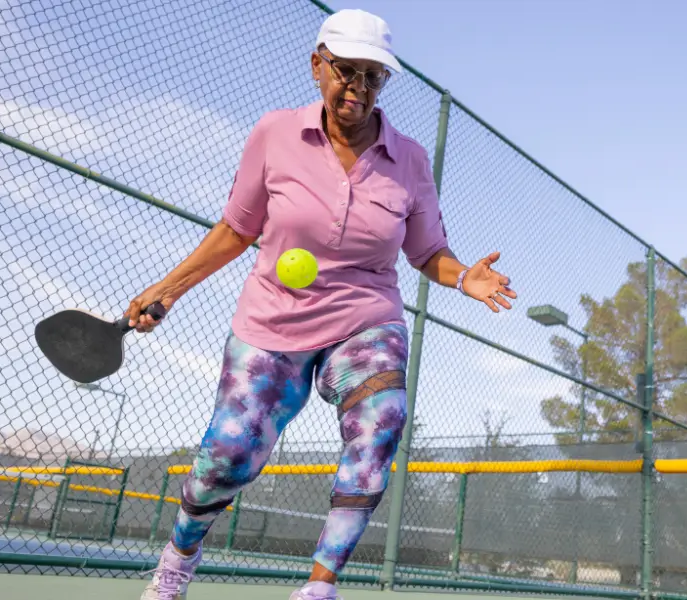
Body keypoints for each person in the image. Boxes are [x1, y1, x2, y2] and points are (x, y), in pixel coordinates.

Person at [127, 9, 516, 600]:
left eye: (374, 77)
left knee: (382, 419)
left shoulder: (409, 159)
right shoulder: (275, 133)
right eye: (346, 71)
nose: (358, 88)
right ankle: (179, 559)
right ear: (317, 66)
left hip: (366, 318)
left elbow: (427, 250)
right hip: (272, 320)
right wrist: (167, 289)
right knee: (229, 455)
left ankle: (318, 586)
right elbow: (236, 229)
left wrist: (465, 278)